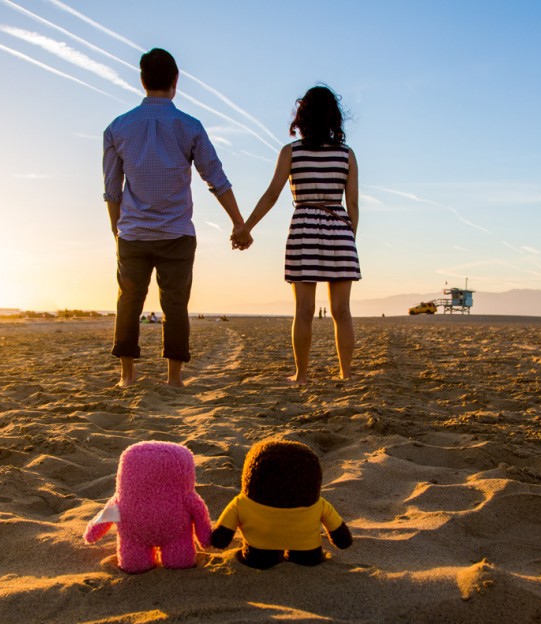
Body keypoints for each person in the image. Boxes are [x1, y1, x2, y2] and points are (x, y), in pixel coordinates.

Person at [103, 48, 251, 388]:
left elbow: (112, 189)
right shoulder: (190, 126)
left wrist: (116, 227)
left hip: (134, 233)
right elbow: (216, 179)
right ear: (176, 81)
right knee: (175, 305)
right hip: (177, 233)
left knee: (129, 300)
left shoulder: (117, 128)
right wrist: (238, 223)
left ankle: (127, 377)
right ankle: (174, 378)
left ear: (142, 80)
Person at [234, 86, 360, 383]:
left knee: (303, 310)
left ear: (302, 116)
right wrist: (348, 239)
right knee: (342, 311)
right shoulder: (346, 155)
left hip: (304, 226)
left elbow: (271, 195)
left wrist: (246, 227)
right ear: (334, 118)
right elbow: (352, 204)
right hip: (339, 226)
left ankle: (301, 375)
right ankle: (346, 374)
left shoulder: (291, 152)